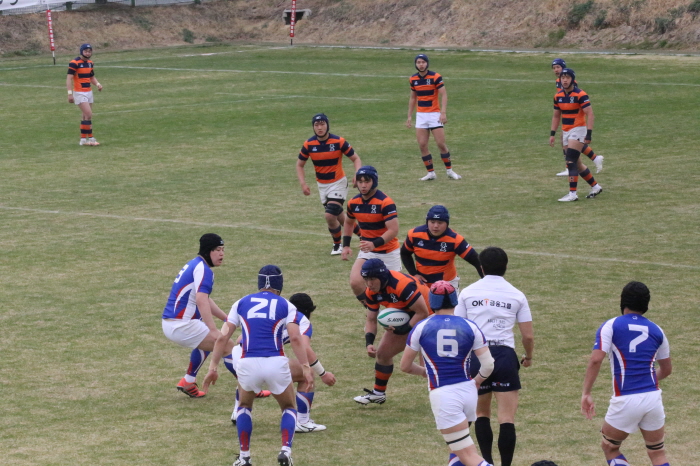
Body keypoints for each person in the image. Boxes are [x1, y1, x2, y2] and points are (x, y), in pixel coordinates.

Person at [203, 265, 314, 466]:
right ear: (280, 284)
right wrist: (306, 367)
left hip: (248, 363)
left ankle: (244, 457)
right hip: (275, 362)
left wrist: (212, 368)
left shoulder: (241, 302)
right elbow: (296, 338)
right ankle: (285, 451)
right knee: (289, 407)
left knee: (244, 406)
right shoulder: (286, 305)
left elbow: (222, 338)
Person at [454, 247, 534, 466]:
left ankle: (487, 462)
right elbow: (527, 336)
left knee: (481, 413)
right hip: (505, 356)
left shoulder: (467, 293)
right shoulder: (517, 294)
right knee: (507, 418)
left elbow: (459, 329)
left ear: (481, 267)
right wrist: (528, 357)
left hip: (477, 355)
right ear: (506, 267)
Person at [400, 281, 494, 466]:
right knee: (456, 452)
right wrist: (476, 381)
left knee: (468, 455)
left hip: (444, 395)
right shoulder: (470, 326)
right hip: (468, 392)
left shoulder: (421, 327)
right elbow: (488, 365)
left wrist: (424, 373)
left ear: (432, 301)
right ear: (454, 300)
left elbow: (405, 366)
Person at [581, 281, 672, 466]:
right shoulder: (657, 330)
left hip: (626, 398)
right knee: (657, 452)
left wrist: (586, 393)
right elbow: (667, 369)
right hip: (653, 397)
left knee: (610, 447)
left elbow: (596, 360)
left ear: (623, 301)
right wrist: (646, 379)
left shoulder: (611, 325)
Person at [228, 293, 337, 433]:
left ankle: (237, 411)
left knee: (249, 378)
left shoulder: (276, 311)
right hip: (265, 361)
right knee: (306, 373)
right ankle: (302, 421)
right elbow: (305, 347)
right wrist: (323, 373)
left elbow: (239, 339)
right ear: (308, 311)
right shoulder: (301, 319)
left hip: (241, 356)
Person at [161, 233, 235, 398]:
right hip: (181, 325)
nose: (222, 254)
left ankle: (188, 381)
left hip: (172, 323)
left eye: (223, 249)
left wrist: (227, 319)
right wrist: (213, 330)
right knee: (226, 345)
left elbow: (205, 299)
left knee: (206, 340)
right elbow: (201, 300)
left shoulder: (195, 264)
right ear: (208, 251)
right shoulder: (204, 270)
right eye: (218, 250)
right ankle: (249, 389)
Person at [353, 258, 430, 405]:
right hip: (408, 314)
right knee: (383, 354)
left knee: (430, 364)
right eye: (366, 279)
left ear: (382, 277)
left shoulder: (402, 285)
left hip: (429, 315)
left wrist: (403, 329)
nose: (369, 284)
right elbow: (371, 319)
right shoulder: (371, 291)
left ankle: (449, 391)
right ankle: (378, 394)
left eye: (372, 279)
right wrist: (369, 342)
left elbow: (422, 312)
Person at [296, 113, 363, 255]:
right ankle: (363, 235)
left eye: (322, 124)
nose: (319, 128)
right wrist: (303, 183)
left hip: (338, 183)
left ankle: (337, 245)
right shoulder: (309, 144)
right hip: (322, 186)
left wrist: (357, 174)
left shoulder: (339, 142)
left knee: (329, 215)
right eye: (316, 125)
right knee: (340, 217)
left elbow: (356, 159)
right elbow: (299, 165)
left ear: (327, 125)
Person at [341, 165, 401, 302]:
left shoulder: (385, 202)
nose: (363, 185)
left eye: (367, 181)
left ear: (374, 181)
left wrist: (374, 244)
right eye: (360, 181)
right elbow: (348, 222)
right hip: (367, 252)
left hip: (388, 252)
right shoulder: (353, 203)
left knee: (395, 292)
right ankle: (372, 311)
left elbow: (393, 230)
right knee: (356, 282)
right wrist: (346, 246)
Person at [549, 68, 603, 202]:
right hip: (565, 131)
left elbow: (590, 114)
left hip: (578, 130)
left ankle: (572, 194)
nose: (565, 80)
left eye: (567, 77)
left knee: (570, 161)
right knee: (578, 164)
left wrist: (589, 134)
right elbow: (556, 116)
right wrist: (552, 134)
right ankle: (596, 187)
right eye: (563, 78)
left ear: (572, 79)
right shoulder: (558, 96)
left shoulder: (580, 95)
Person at [406, 53, 462, 181]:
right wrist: (409, 116)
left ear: (427, 63)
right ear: (415, 64)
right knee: (422, 145)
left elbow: (444, 94)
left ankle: (449, 171)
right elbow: (413, 98)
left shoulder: (435, 77)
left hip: (434, 115)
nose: (421, 65)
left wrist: (443, 112)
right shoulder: (413, 79)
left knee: (441, 144)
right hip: (421, 115)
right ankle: (431, 173)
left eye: (423, 62)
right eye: (418, 62)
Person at [401, 205, 483, 289]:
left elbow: (477, 261)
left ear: (447, 223)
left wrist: (487, 283)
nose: (436, 226)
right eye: (432, 222)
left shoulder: (455, 240)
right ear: (427, 221)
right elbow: (405, 253)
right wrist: (414, 274)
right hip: (423, 285)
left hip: (447, 284)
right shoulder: (414, 234)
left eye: (440, 223)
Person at [66, 43, 103, 146]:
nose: (88, 53)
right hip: (79, 92)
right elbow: (69, 78)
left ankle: (83, 140)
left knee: (86, 116)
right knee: (88, 114)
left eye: (89, 51)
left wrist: (98, 84)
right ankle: (91, 138)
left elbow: (91, 77)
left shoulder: (90, 63)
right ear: (81, 52)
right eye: (86, 51)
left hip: (88, 92)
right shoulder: (74, 63)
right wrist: (70, 93)